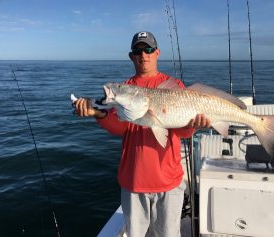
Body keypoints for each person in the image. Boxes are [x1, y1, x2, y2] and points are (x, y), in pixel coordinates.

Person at [75, 31, 210, 237]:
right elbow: (119, 127)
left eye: (148, 50)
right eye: (138, 51)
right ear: (131, 56)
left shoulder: (175, 87)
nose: (143, 55)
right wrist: (96, 113)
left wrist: (195, 126)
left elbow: (182, 131)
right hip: (133, 182)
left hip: (169, 182)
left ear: (157, 53)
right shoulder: (126, 90)